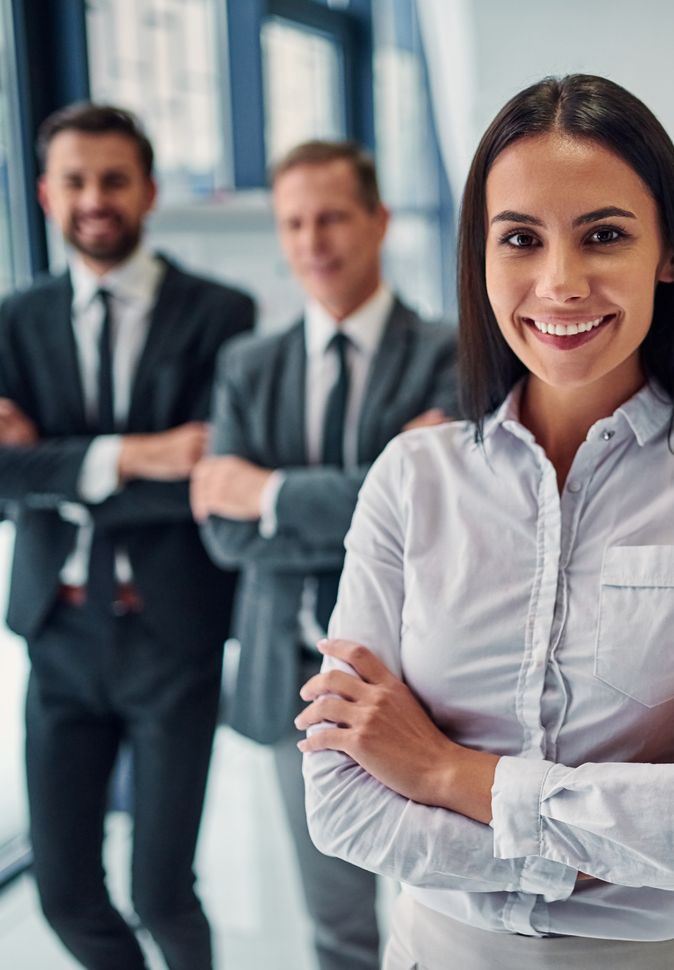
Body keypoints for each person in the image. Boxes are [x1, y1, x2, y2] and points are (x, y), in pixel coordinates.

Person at [295, 74, 674, 970]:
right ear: (480, 259)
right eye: (521, 240)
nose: (560, 283)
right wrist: (620, 838)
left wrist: (446, 774)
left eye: (604, 236)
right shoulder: (411, 480)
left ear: (669, 254)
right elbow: (340, 802)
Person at [0, 103, 254, 970]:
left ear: (149, 190)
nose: (95, 198)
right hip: (60, 637)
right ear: (46, 194)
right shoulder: (22, 317)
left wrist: (50, 464)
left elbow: (207, 481)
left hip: (172, 640)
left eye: (113, 179)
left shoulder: (218, 315)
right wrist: (137, 454)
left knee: (162, 893)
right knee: (64, 892)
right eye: (75, 180)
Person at [188, 140, 457, 970]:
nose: (313, 241)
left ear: (378, 221)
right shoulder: (248, 365)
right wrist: (378, 478)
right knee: (335, 925)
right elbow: (221, 533)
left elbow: (436, 517)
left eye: (332, 216)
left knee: (444, 912)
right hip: (289, 681)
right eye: (294, 222)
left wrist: (268, 495)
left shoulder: (453, 352)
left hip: (423, 682)